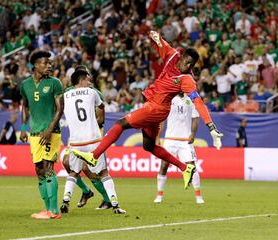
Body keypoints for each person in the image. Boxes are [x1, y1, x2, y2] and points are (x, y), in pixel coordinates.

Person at [73, 31, 223, 190]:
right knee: (149, 146)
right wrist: (154, 35)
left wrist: (211, 127)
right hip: (154, 107)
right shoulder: (172, 55)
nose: (188, 67)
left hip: (156, 109)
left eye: (192, 65)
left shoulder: (187, 79)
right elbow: (159, 43)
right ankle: (185, 168)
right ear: (182, 57)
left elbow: (198, 102)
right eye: (187, 62)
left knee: (120, 123)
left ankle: (94, 156)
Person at [61, 68, 126, 214]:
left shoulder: (65, 95)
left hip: (76, 141)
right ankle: (114, 204)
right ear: (81, 79)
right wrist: (98, 121)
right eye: (87, 79)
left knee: (75, 171)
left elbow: (59, 110)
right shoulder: (92, 92)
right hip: (92, 139)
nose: (90, 82)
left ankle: (65, 201)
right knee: (103, 172)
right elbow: (102, 107)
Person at [20, 50, 63, 220]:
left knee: (48, 167)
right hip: (35, 133)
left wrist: (50, 128)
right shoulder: (25, 85)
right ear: (35, 65)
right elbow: (25, 106)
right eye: (45, 63)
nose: (49, 66)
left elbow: (60, 108)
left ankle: (54, 210)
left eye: (49, 63)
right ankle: (46, 209)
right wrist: (23, 127)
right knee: (39, 170)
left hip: (51, 132)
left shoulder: (55, 83)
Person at [154, 93, 204, 204]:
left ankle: (198, 196)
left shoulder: (192, 99)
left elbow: (195, 118)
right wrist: (157, 136)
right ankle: (159, 196)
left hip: (185, 140)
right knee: (164, 165)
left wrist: (193, 134)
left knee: (192, 166)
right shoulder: (169, 99)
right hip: (170, 139)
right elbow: (162, 119)